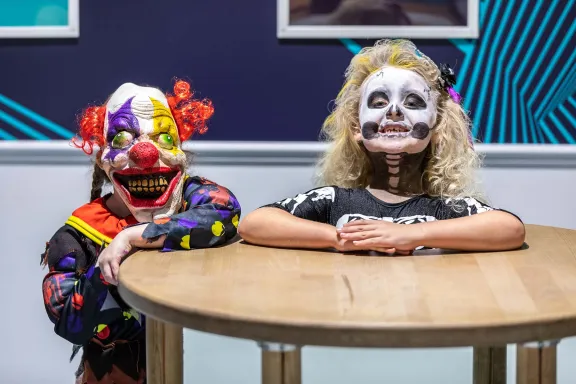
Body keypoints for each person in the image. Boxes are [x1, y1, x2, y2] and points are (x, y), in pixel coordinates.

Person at [238, 39, 525, 254]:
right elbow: (255, 223)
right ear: (355, 129)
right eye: (378, 102)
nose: (395, 111)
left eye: (413, 102)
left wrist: (411, 235)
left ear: (437, 129)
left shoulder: (445, 208)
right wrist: (340, 238)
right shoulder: (335, 200)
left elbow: (510, 229)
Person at [41, 80, 241, 384]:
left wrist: (133, 237)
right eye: (122, 138)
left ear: (180, 153)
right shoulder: (78, 236)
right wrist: (103, 271)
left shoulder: (187, 198)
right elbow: (70, 324)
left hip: (171, 364)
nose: (146, 153)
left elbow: (226, 211)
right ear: (102, 159)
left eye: (163, 138)